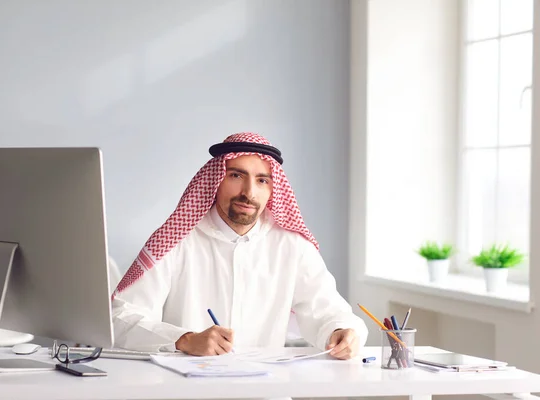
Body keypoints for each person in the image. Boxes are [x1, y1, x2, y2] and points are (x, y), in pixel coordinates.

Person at [111, 132, 368, 359]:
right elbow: (121, 318)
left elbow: (328, 310)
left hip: (265, 389)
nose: (249, 192)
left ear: (272, 189)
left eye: (262, 181)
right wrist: (185, 339)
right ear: (216, 180)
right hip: (188, 389)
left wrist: (342, 332)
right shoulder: (177, 240)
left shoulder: (292, 246)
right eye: (236, 176)